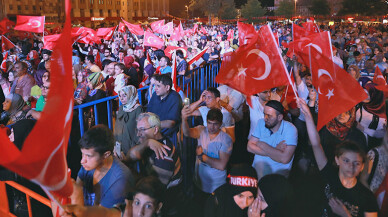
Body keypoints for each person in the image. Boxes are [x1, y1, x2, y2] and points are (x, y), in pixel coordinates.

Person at [299, 99, 379, 217]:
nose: (351, 166)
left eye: (356, 163)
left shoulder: (367, 198)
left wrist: (345, 214)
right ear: (337, 160)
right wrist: (307, 114)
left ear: (362, 166)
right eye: (346, 161)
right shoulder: (330, 177)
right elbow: (316, 144)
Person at [126, 112, 184, 217]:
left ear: (156, 129)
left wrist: (126, 170)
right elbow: (129, 157)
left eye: (142, 129)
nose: (138, 134)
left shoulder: (164, 154)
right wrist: (147, 143)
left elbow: (151, 190)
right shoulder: (150, 142)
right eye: (137, 130)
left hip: (167, 207)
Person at [182, 107, 232, 216]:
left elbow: (221, 165)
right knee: (199, 211)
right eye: (210, 123)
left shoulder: (226, 139)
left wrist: (202, 156)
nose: (212, 127)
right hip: (199, 182)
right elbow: (187, 133)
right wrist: (184, 119)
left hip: (216, 186)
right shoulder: (201, 130)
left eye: (215, 124)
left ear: (220, 124)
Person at [71, 125, 134, 208]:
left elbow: (100, 214)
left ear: (106, 154)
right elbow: (78, 189)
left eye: (88, 156)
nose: (82, 161)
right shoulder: (88, 164)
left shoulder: (120, 180)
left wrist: (75, 193)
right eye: (82, 154)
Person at [59, 176, 166, 217]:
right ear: (132, 201)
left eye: (148, 206)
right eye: (137, 203)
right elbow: (106, 213)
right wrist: (82, 212)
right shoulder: (125, 211)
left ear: (158, 207)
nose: (139, 213)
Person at [247, 100, 298, 179]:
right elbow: (249, 147)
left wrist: (262, 144)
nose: (265, 118)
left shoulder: (290, 129)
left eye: (269, 116)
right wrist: (275, 150)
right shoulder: (261, 123)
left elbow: (284, 158)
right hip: (256, 174)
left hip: (276, 178)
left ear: (280, 117)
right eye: (264, 114)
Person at [146, 74, 182, 141]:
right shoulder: (155, 95)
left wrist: (151, 126)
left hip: (167, 135)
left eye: (158, 86)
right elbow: (148, 113)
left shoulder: (175, 98)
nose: (155, 88)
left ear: (167, 87)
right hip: (153, 131)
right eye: (154, 85)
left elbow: (171, 123)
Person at [114, 85, 142, 159]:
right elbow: (117, 128)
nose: (121, 98)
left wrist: (133, 149)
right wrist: (115, 145)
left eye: (124, 95)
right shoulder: (121, 108)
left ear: (131, 94)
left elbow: (139, 131)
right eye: (120, 96)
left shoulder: (138, 109)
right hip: (120, 146)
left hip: (131, 148)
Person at [356, 83, 387, 149]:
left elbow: (382, 134)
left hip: (368, 145)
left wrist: (363, 129)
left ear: (375, 96)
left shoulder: (381, 116)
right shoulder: (360, 105)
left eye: (367, 94)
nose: (363, 96)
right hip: (355, 139)